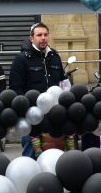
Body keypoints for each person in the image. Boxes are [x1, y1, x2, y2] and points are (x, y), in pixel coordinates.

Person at [8, 23, 65, 157]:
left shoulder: (55, 57)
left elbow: (62, 82)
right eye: (39, 35)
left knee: (56, 152)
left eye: (45, 35)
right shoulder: (21, 59)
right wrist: (26, 111)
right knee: (30, 153)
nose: (43, 38)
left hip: (53, 113)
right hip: (31, 114)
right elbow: (16, 88)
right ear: (31, 38)